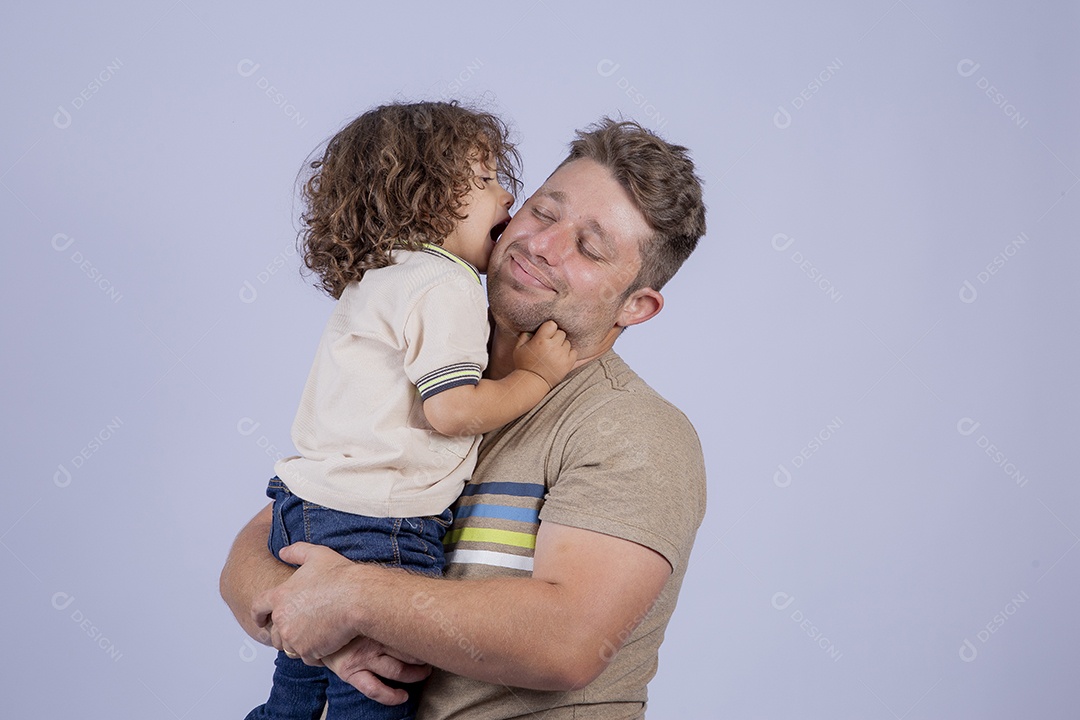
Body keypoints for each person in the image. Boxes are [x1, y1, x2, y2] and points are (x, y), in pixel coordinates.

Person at [222, 117, 708, 720]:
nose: (543, 245)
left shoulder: (634, 431)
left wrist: (349, 599)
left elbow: (565, 643)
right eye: (543, 212)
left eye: (590, 247)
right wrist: (330, 638)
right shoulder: (428, 354)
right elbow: (264, 543)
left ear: (637, 305)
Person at [245, 101, 576, 720]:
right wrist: (536, 375)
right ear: (424, 197)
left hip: (304, 509)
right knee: (376, 696)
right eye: (485, 181)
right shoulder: (443, 283)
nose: (508, 197)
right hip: (378, 525)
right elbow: (450, 411)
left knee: (295, 693)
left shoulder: (383, 277)